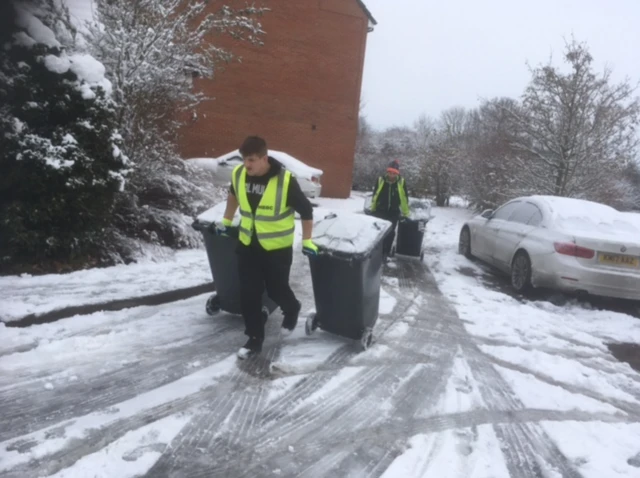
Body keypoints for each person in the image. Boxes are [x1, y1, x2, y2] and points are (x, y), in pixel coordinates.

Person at [217, 136, 319, 359]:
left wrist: (308, 240)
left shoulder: (285, 181)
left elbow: (306, 211)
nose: (247, 165)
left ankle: (292, 308)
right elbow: (233, 195)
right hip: (247, 245)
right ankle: (254, 339)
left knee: (277, 290)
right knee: (249, 294)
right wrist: (226, 220)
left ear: (264, 158)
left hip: (276, 249)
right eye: (245, 160)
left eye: (252, 160)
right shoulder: (239, 174)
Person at [369, 159, 410, 259]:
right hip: (380, 210)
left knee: (390, 232)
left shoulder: (401, 182)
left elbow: (404, 197)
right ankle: (376, 251)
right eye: (390, 172)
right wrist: (373, 208)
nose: (392, 175)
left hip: (393, 211)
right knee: (378, 232)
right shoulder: (381, 180)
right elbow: (375, 194)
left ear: (397, 173)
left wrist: (405, 212)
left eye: (394, 173)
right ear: (387, 172)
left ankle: (385, 253)